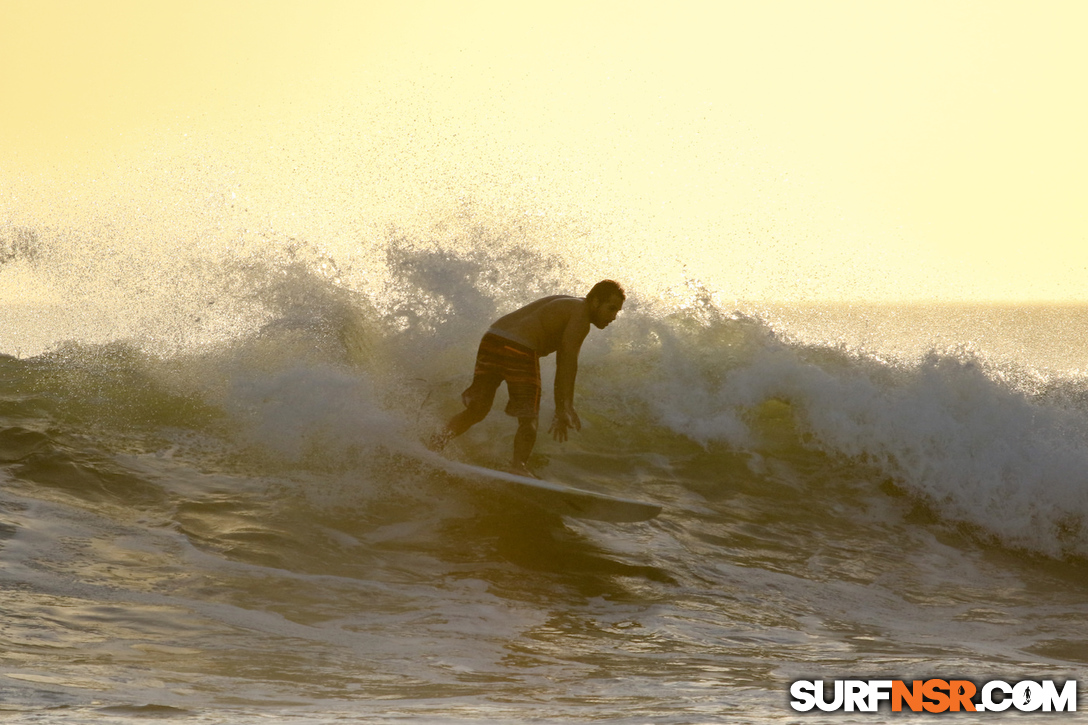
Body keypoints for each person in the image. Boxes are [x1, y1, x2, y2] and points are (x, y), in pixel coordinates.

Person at [429, 280, 626, 477]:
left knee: (477, 410)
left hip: (492, 339)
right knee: (528, 419)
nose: (613, 317)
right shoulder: (581, 317)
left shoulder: (566, 302)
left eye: (617, 311)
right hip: (519, 349)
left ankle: (433, 444)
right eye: (611, 309)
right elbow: (567, 361)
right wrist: (564, 407)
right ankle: (518, 466)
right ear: (595, 302)